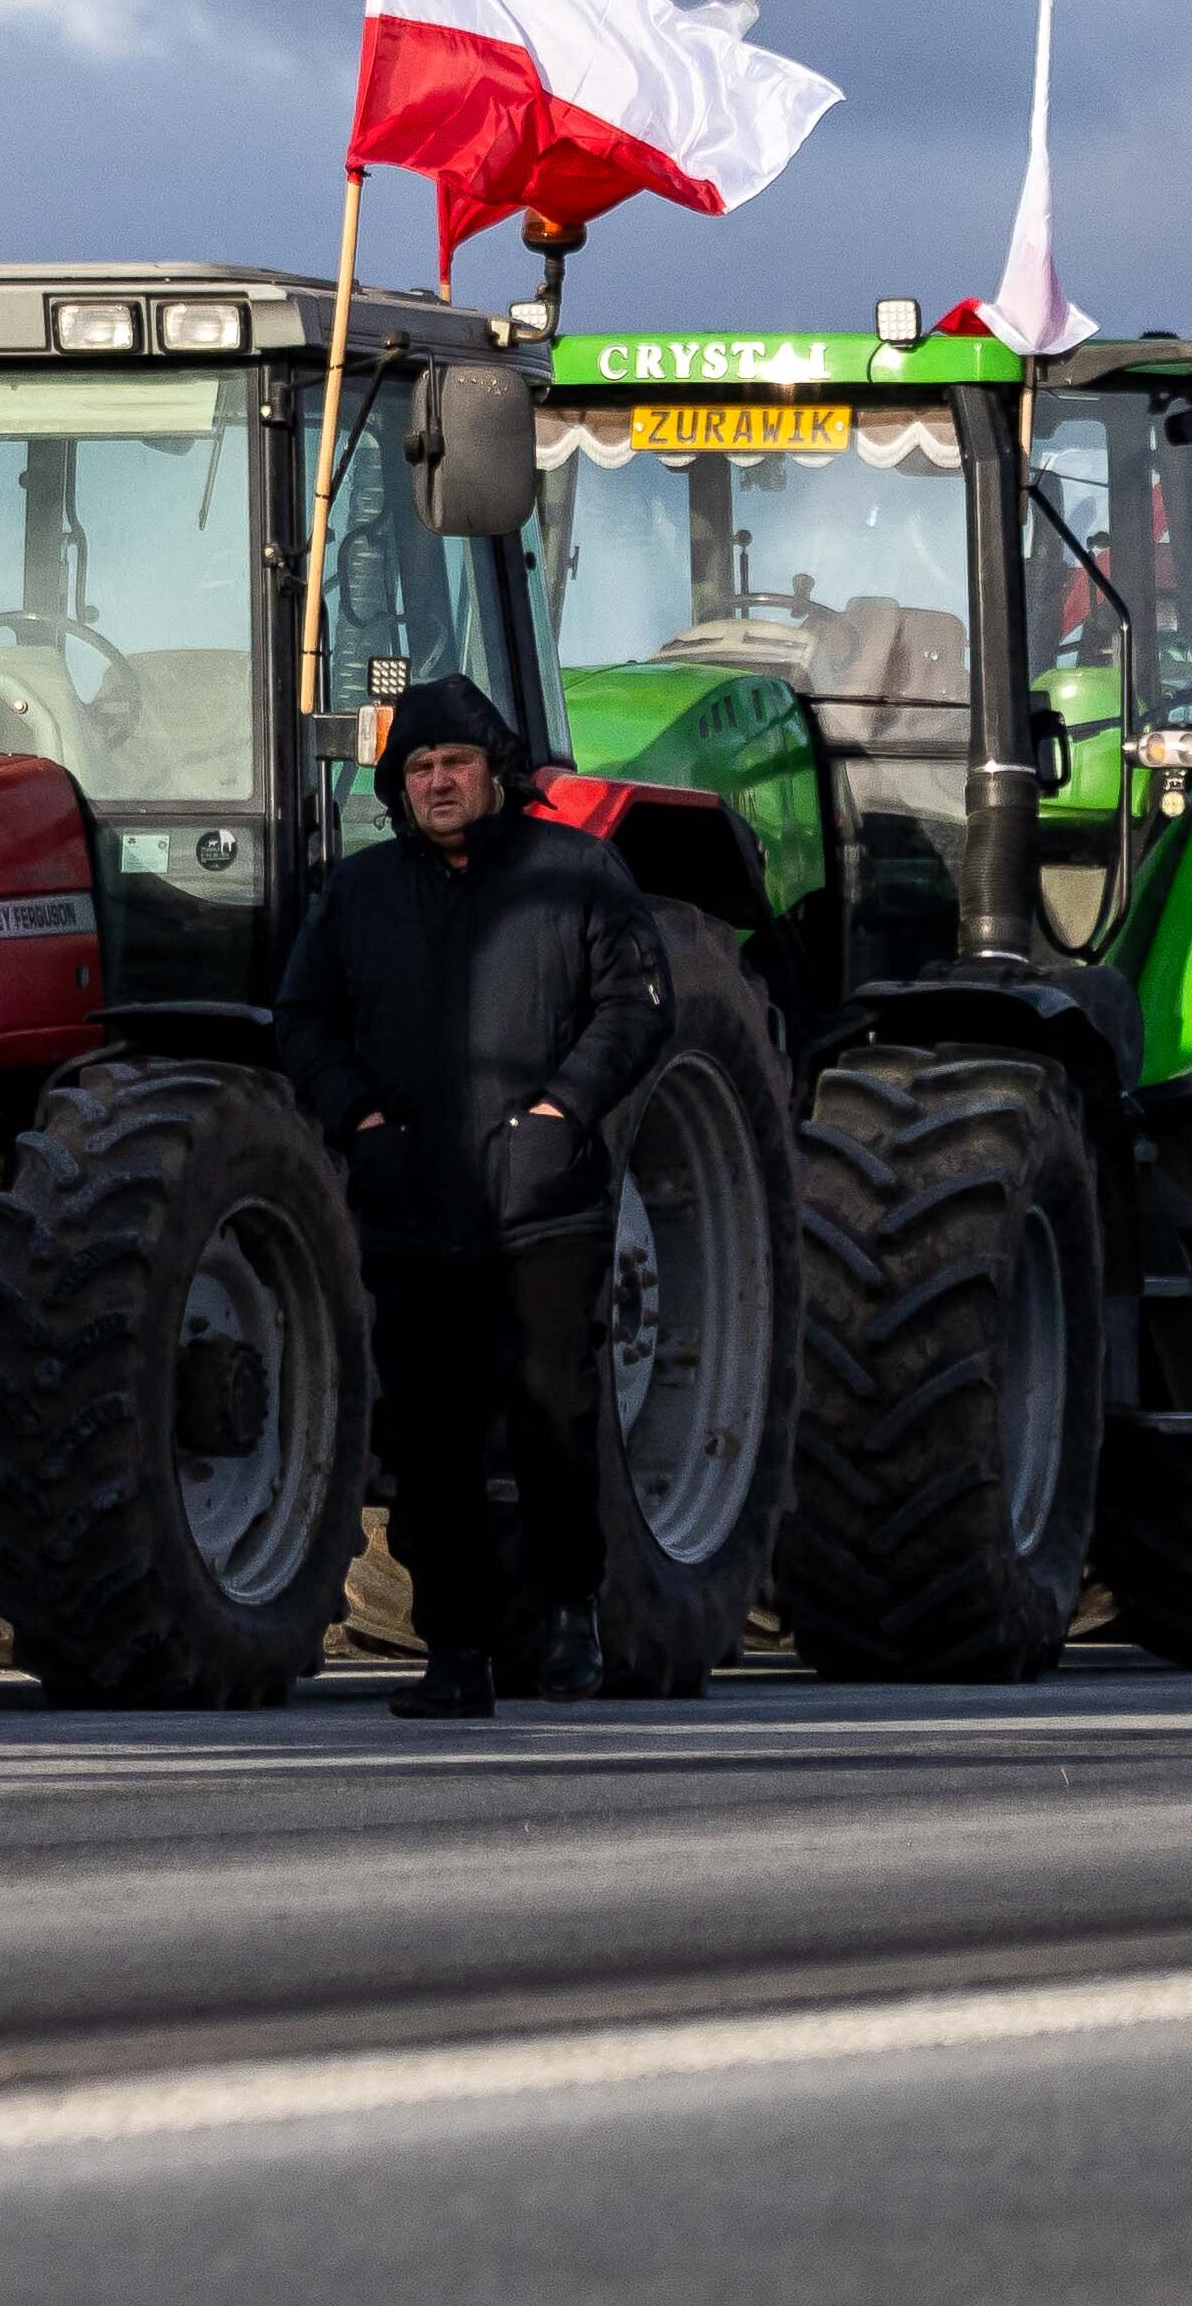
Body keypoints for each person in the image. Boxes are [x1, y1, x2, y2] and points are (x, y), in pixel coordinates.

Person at [273, 674, 664, 1720]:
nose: (439, 783)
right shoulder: (358, 895)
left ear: (498, 774)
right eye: (420, 769)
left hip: (541, 1203)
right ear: (399, 788)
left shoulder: (575, 874)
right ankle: (456, 1653)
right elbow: (303, 1019)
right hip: (412, 1205)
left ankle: (569, 1618)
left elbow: (635, 1004)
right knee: (434, 1441)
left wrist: (562, 1116)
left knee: (552, 1415)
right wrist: (361, 1123)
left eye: (456, 765)